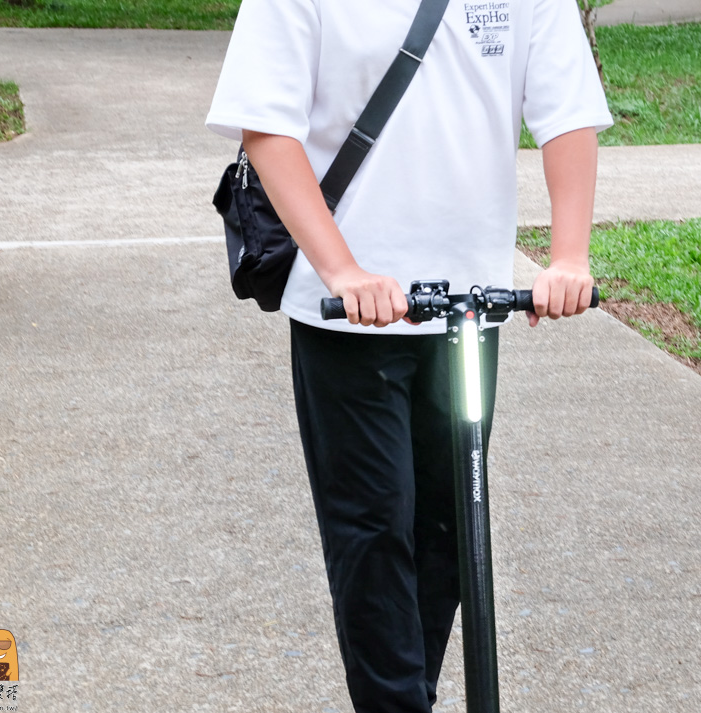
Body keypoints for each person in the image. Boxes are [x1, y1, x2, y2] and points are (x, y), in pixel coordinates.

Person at [206, 0, 611, 710]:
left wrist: (568, 254)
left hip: (468, 311)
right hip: (346, 320)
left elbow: (566, 111)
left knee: (450, 528)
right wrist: (341, 271)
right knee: (373, 528)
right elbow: (267, 127)